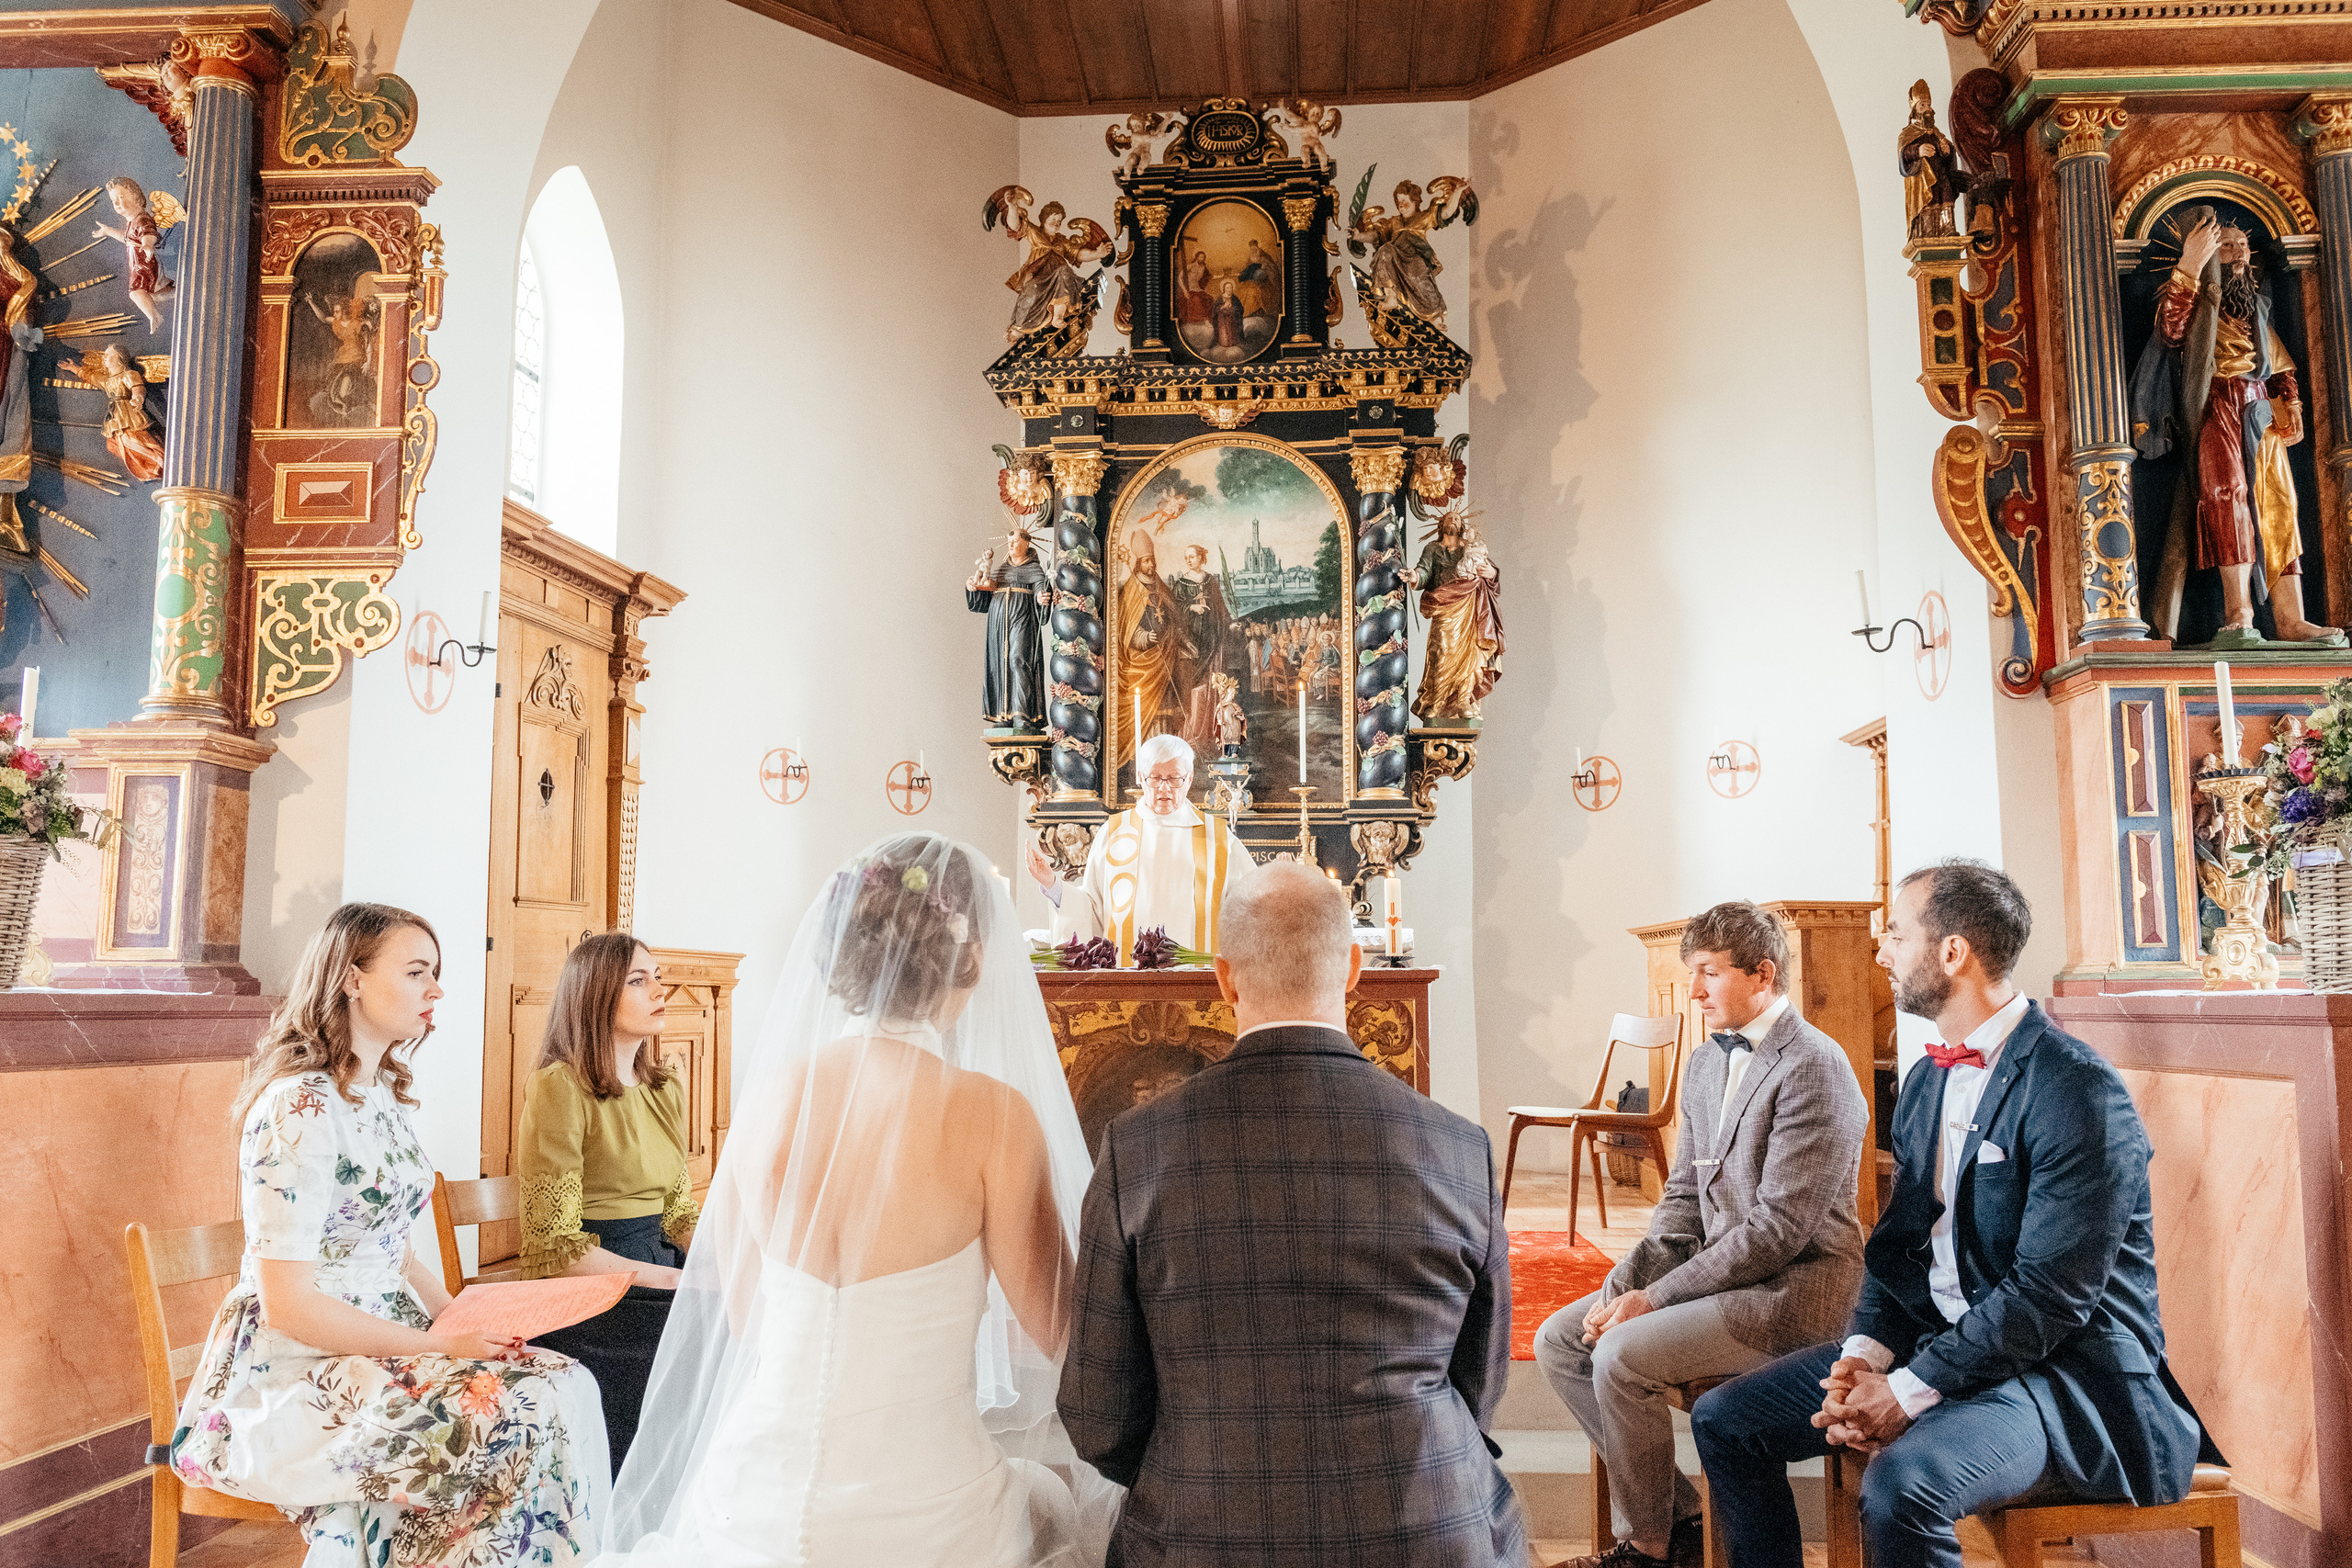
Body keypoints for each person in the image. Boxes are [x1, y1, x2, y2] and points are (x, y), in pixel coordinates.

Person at [601, 834, 1117, 1566]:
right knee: (1057, 1510)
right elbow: (1060, 1327)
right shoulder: (991, 1116)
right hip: (928, 1511)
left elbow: (746, 1318)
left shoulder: (769, 1099)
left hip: (755, 1503)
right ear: (966, 959)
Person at [1690, 861, 2219, 1568]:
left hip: (2063, 1376)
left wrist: (1907, 1390)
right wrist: (1863, 1355)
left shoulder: (2077, 1089)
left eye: (1895, 934)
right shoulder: (1925, 1079)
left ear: (1952, 952)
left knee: (1901, 1486)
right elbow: (1899, 1246)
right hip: (1950, 1342)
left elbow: (2048, 1297)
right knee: (1727, 1420)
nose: (1880, 951)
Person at [1058, 863, 1525, 1566]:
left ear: (1223, 977)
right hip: (1427, 1531)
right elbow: (1479, 1387)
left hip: (1199, 1535)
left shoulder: (1138, 1147)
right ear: (1353, 970)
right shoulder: (1460, 1147)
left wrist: (1207, 1463)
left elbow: (1098, 1413)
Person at [171, 903, 608, 1566]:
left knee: (565, 1380)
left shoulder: (380, 1095)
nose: (435, 990)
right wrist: (437, 1344)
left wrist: (467, 1322)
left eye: (436, 973)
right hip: (298, 1367)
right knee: (512, 1410)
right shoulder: (299, 1105)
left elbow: (395, 1252)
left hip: (388, 1340)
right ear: (351, 977)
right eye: (416, 971)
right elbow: (290, 1304)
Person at [1535, 902, 1868, 1568]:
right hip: (1725, 1277)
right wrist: (1623, 1285)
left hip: (1790, 1296)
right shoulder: (1705, 1065)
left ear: (1763, 973)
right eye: (1693, 973)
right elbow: (1683, 1197)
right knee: (1561, 1340)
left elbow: (1776, 1232)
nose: (1692, 991)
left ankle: (1646, 1546)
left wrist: (1652, 1302)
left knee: (1622, 1353)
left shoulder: (1815, 1065)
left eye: (1709, 973)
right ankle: (1683, 1522)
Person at [519, 934, 700, 1473]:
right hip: (592, 1288)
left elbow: (678, 1213)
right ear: (596, 994)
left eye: (658, 977)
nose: (658, 990)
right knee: (695, 1339)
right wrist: (673, 1281)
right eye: (638, 980)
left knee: (745, 1317)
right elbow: (555, 1248)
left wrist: (726, 1257)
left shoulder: (666, 1087)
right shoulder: (560, 1086)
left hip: (658, 1261)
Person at [2131, 209, 2343, 645]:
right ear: (2209, 254)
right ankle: (2239, 611)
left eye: (2243, 246)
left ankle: (2291, 618)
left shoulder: (2255, 309)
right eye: (2227, 247)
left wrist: (2293, 401)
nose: (2240, 255)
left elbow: (2279, 363)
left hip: (2260, 411)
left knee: (2280, 507)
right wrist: (2189, 266)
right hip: (2214, 406)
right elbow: (2169, 333)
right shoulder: (2195, 301)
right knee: (2227, 500)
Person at [1025, 733, 1250, 960]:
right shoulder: (1113, 833)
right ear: (1141, 778)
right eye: (1155, 778)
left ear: (1189, 778)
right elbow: (1091, 910)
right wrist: (1052, 885)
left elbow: (1251, 908)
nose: (1164, 789)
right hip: (1128, 982)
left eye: (1174, 778)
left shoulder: (1220, 839)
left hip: (1199, 982)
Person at [967, 523, 1052, 731]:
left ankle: (1021, 713)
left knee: (1018, 660)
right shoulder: (1001, 569)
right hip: (998, 621)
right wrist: (972, 587)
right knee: (1001, 663)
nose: (1011, 545)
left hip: (1021, 617)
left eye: (1016, 542)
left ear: (1027, 544)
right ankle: (1003, 714)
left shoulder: (1034, 569)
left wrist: (1041, 597)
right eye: (1010, 542)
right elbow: (984, 595)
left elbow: (1041, 587)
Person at [91, 176, 174, 333]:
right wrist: (107, 231)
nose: (116, 203)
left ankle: (154, 316)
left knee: (136, 293)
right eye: (113, 200)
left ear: (136, 197)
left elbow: (148, 233)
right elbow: (126, 238)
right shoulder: (131, 222)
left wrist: (147, 244)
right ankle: (172, 294)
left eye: (121, 197)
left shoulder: (141, 219)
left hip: (145, 264)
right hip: (139, 266)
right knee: (150, 295)